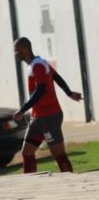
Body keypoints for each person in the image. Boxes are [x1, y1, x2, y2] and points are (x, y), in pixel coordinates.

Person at [13, 37, 82, 173]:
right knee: (27, 152)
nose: (15, 53)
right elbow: (56, 77)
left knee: (59, 154)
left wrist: (22, 110)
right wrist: (69, 93)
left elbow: (40, 90)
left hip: (49, 117)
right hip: (37, 118)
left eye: (17, 50)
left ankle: (72, 183)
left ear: (25, 49)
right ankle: (31, 185)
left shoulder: (38, 65)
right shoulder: (35, 64)